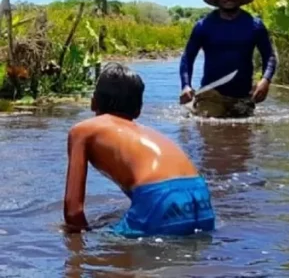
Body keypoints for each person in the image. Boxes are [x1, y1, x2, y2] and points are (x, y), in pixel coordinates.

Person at [63, 62, 216, 237]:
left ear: (93, 102)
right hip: (201, 197)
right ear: (138, 110)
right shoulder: (149, 134)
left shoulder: (83, 130)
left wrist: (77, 245)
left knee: (104, 242)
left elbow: (73, 213)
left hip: (158, 198)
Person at [179, 0, 277, 118]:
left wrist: (265, 80)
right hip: (211, 93)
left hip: (243, 95)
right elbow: (188, 57)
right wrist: (186, 85)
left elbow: (269, 56)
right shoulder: (204, 26)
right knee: (210, 129)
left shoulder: (254, 25)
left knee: (244, 135)